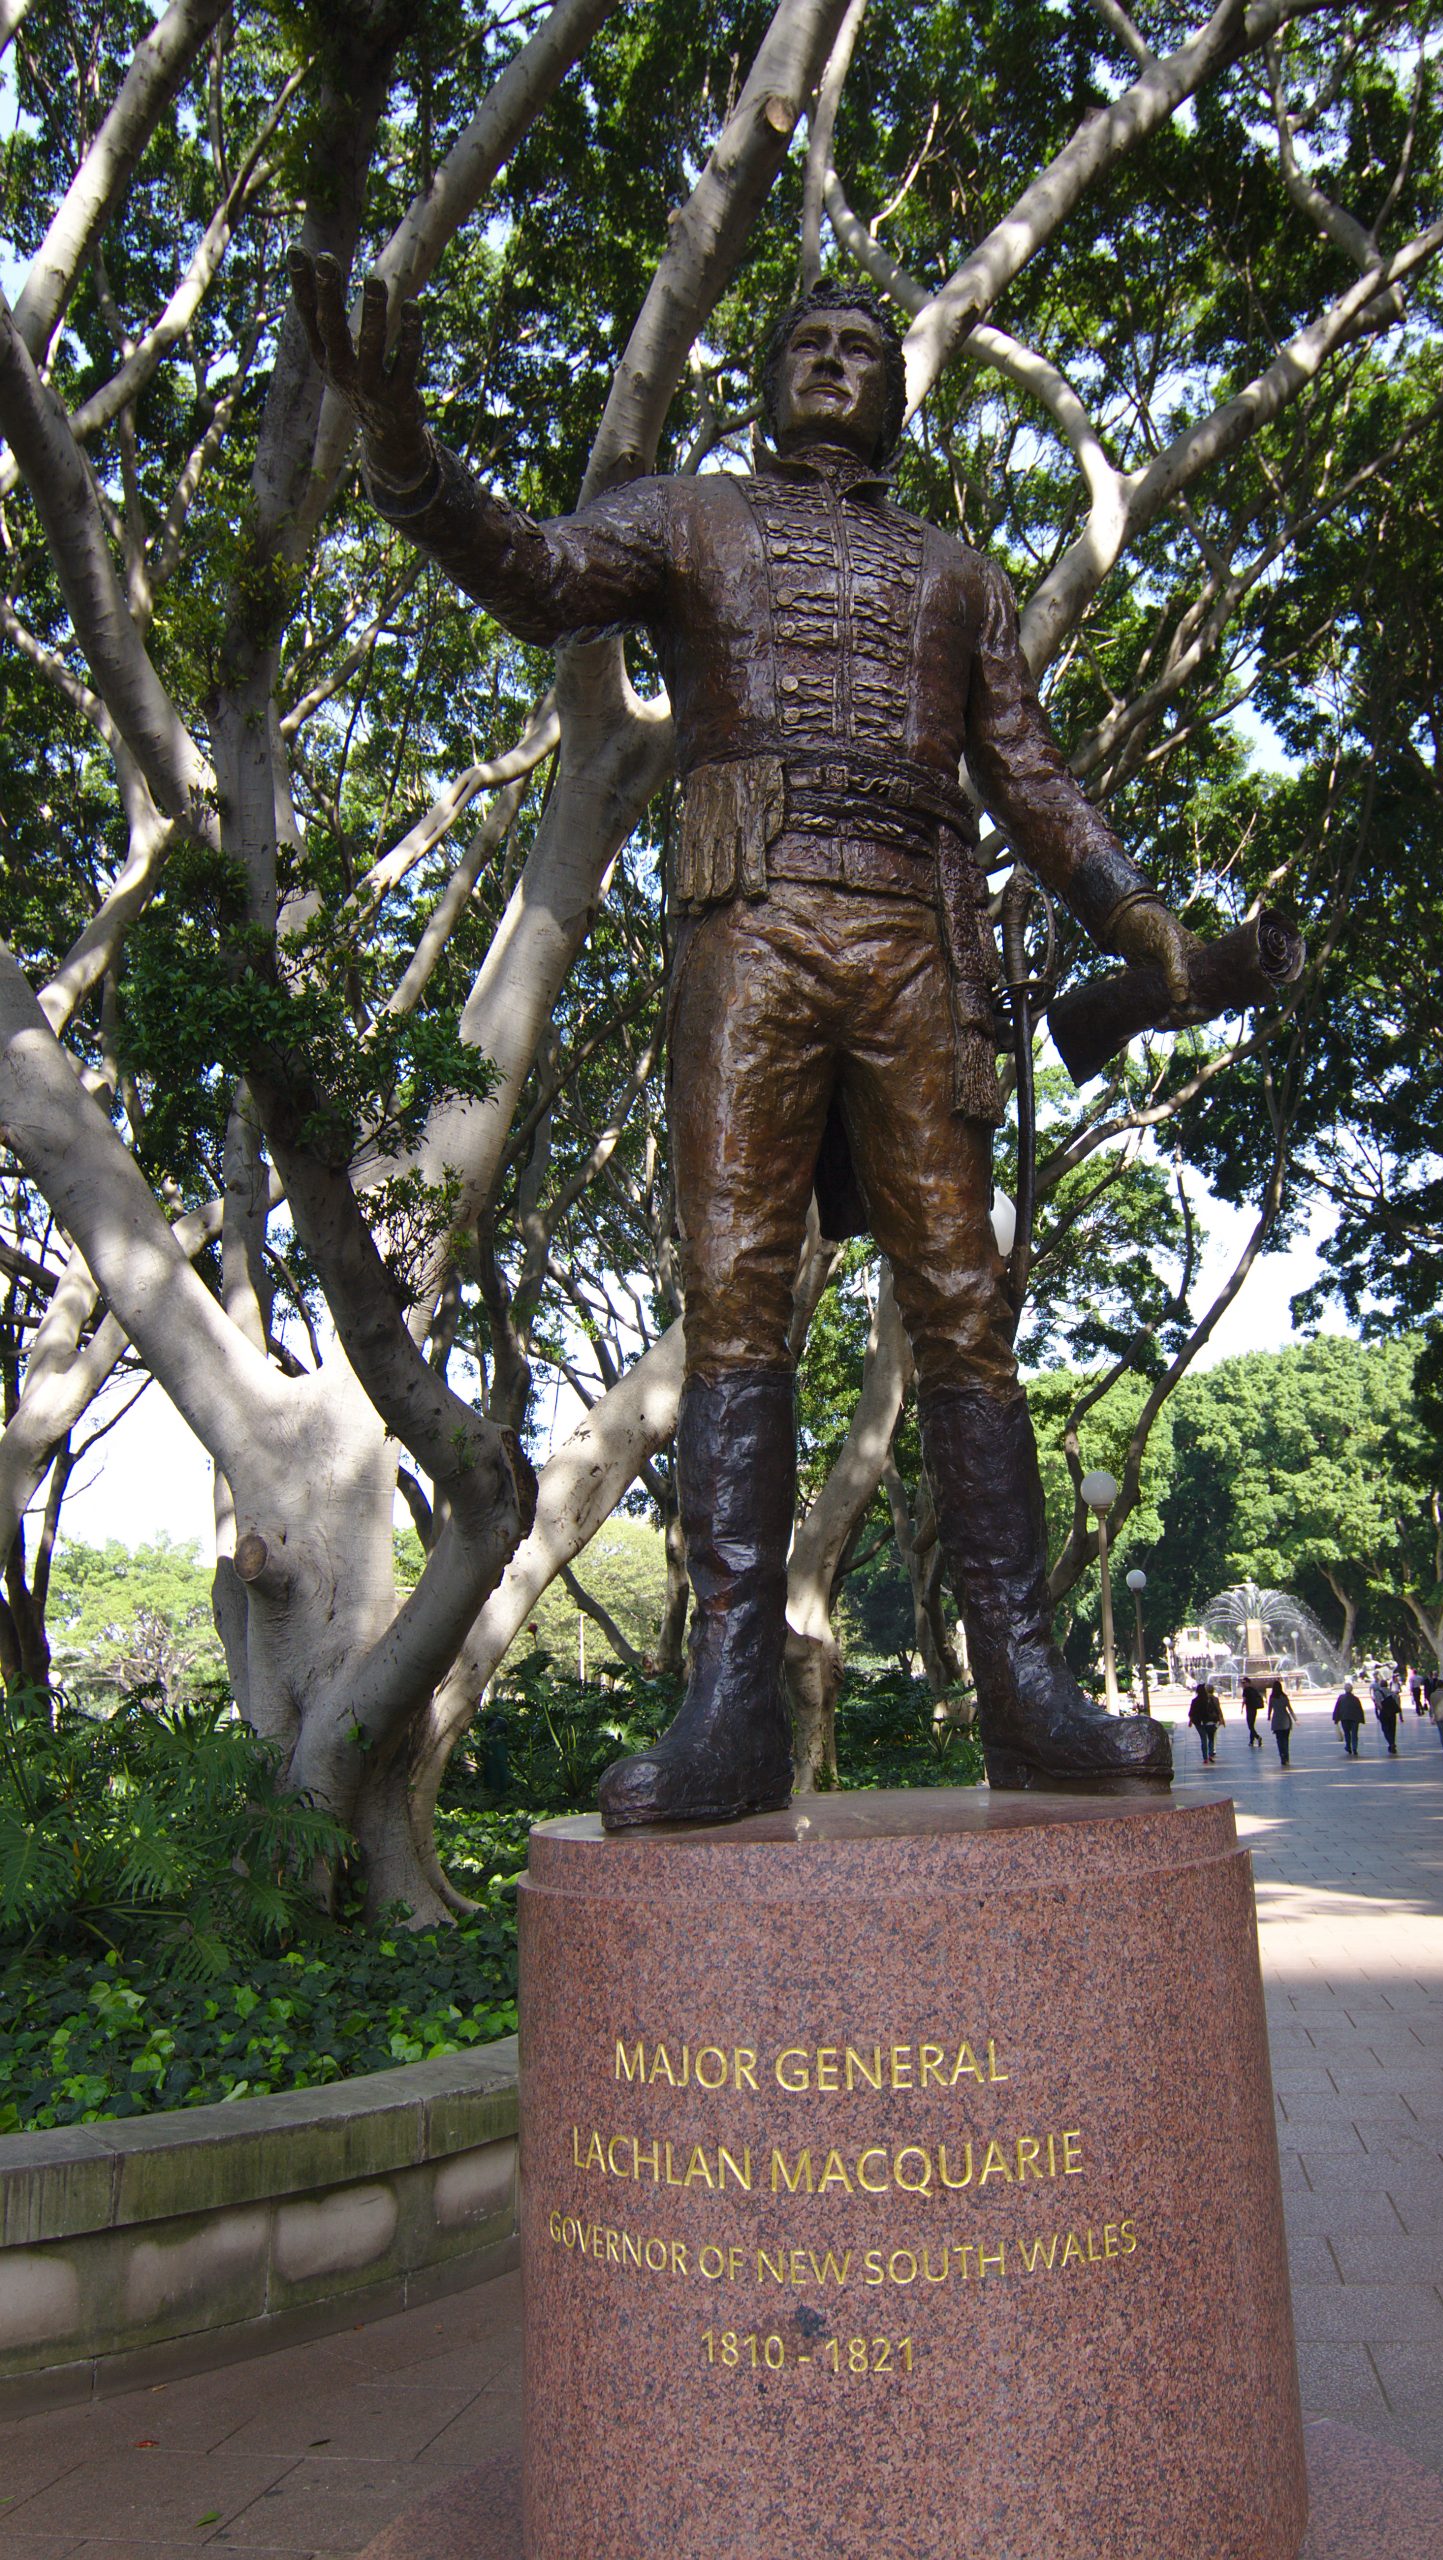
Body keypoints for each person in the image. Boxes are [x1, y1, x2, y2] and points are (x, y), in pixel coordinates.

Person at [290, 259, 1198, 1830]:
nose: (837, 365)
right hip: (753, 921)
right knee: (735, 1288)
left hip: (918, 939)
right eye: (811, 347)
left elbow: (1031, 775)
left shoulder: (959, 577)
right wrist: (400, 451)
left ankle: (1026, 1688)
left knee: (964, 1297)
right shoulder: (688, 515)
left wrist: (1129, 909)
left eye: (864, 351)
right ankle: (727, 1703)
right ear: (768, 380)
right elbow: (535, 573)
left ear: (899, 399)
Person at [1187, 1681, 1225, 1764]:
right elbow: (1215, 1709)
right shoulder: (1208, 1700)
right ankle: (1210, 1753)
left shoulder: (1194, 1701)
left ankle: (1205, 1758)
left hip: (1198, 1723)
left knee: (1203, 1739)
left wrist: (1190, 1721)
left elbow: (1191, 1712)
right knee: (1210, 1737)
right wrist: (1220, 1718)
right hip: (1208, 1721)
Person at [1331, 1683, 1365, 1757]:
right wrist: (1361, 1719)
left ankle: (1348, 1746)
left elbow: (1337, 1708)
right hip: (1355, 1719)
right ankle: (1355, 1748)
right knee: (1354, 1733)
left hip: (1345, 1718)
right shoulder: (1356, 1699)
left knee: (1347, 1733)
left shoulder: (1341, 1698)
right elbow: (1360, 1710)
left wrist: (1336, 1719)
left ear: (1344, 1689)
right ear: (1352, 1689)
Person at [1267, 1679, 1296, 1768]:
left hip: (1277, 1721)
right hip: (1285, 1720)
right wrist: (1295, 1719)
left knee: (1279, 1740)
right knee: (1286, 1740)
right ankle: (1287, 1757)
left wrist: (1269, 1717)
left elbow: (1270, 1709)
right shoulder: (1284, 1697)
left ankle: (1282, 1756)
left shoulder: (1272, 1698)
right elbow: (1289, 1709)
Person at [1372, 1672, 1402, 1755]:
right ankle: (1392, 1742)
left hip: (1384, 1713)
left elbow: (1378, 1704)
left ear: (1381, 1685)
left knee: (1385, 1729)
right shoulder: (1392, 1693)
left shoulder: (1377, 1693)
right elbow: (1397, 1703)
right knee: (1392, 1728)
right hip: (1392, 1713)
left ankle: (1390, 1743)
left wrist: (1381, 1710)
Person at [1241, 1675, 1266, 1747]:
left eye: (1244, 1682)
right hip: (1254, 1709)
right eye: (1242, 1683)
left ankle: (1258, 1737)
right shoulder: (1254, 1689)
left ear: (1248, 1682)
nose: (1242, 1684)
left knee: (1250, 1726)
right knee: (1252, 1725)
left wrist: (1242, 1708)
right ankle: (1251, 1741)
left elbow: (1244, 1700)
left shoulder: (1246, 1690)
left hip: (1249, 1709)